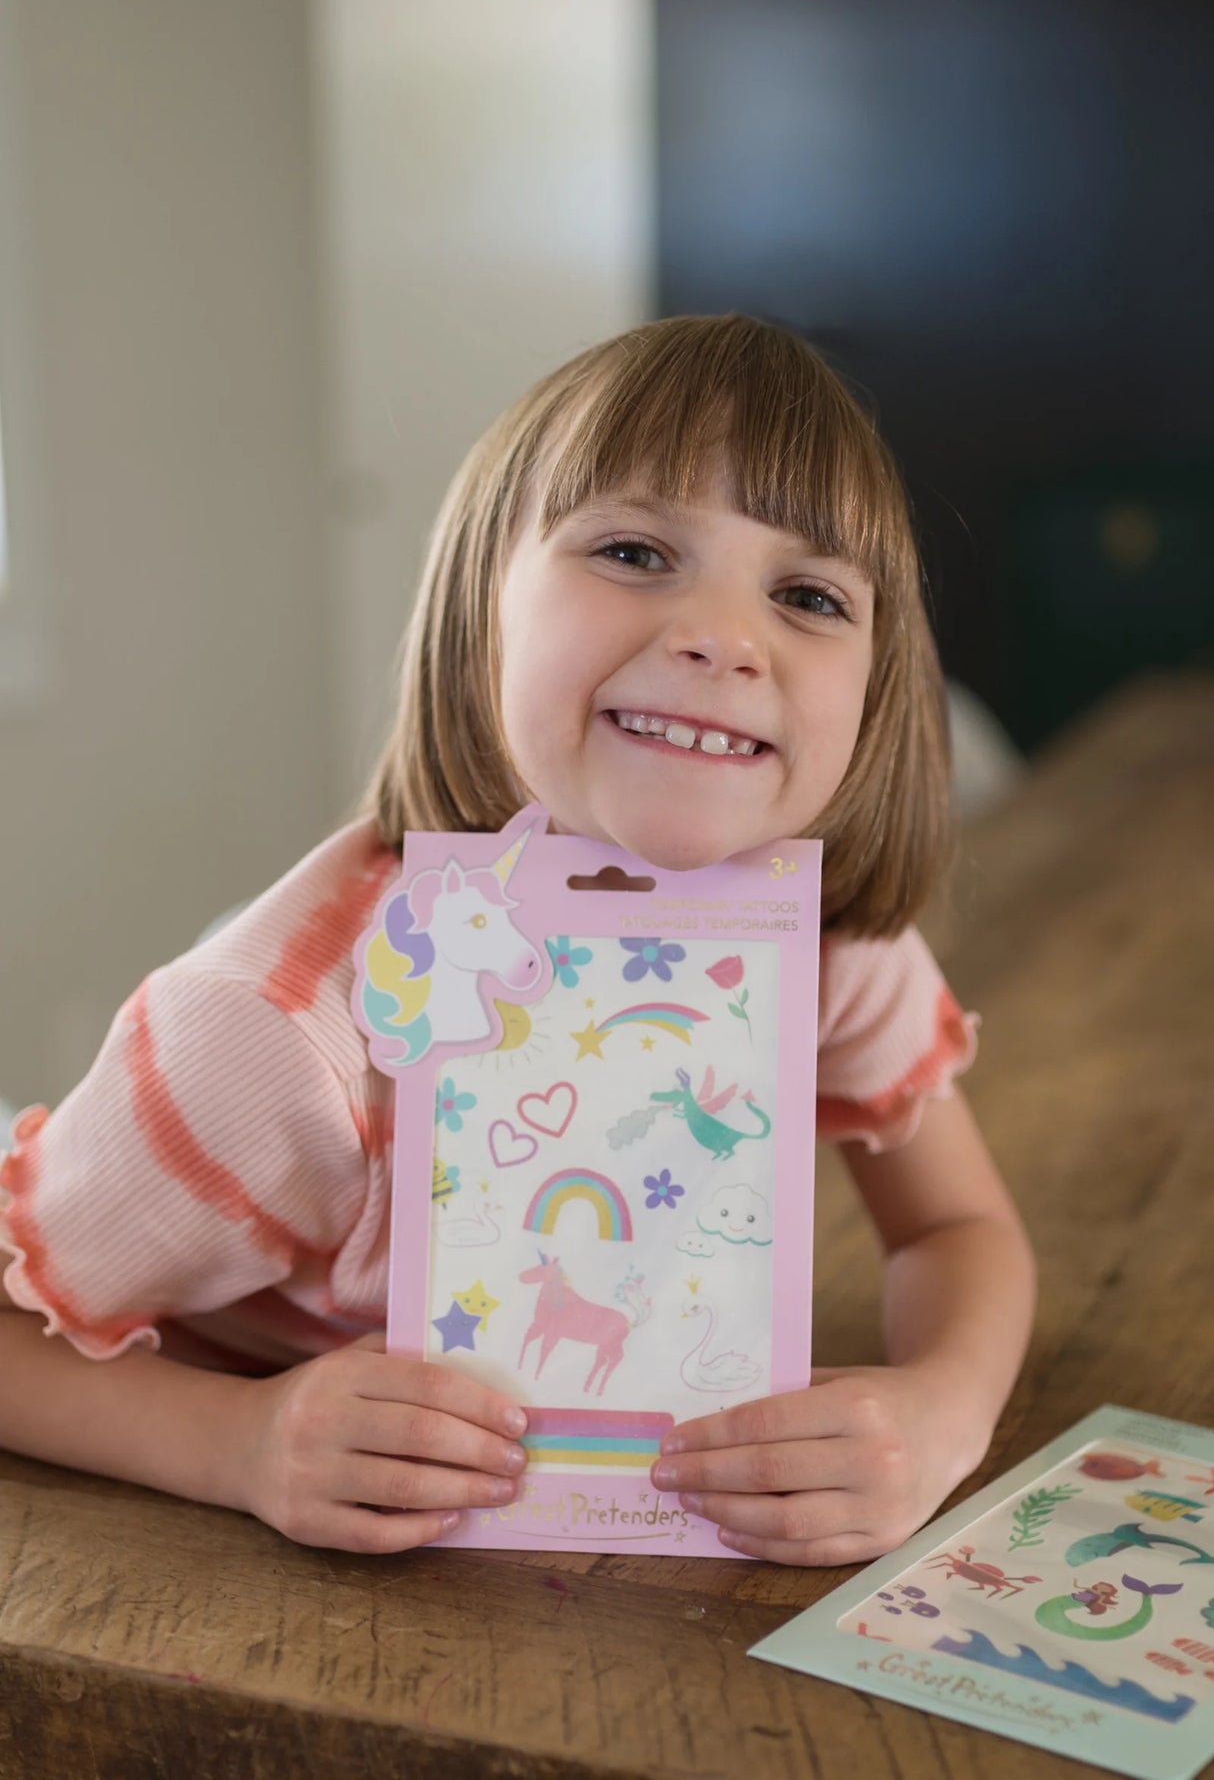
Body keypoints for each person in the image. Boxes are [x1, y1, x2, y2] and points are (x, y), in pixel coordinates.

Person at [0, 314, 1035, 1564]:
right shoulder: (268, 1035)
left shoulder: (823, 946)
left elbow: (955, 1230)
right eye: (635, 550)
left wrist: (942, 1413)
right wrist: (237, 1441)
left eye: (808, 595)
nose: (723, 636)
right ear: (476, 608)